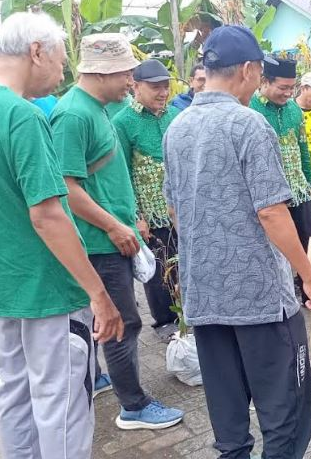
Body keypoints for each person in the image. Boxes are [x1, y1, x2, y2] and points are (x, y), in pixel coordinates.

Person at [163, 25, 311, 459]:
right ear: (250, 70)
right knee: (286, 408)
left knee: (227, 409)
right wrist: (310, 277)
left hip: (204, 293)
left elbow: (175, 209)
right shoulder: (248, 124)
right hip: (259, 298)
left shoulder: (177, 127)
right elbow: (271, 211)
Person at [0, 12, 124, 458]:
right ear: (36, 51)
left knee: (14, 391)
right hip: (49, 290)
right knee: (64, 401)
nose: (61, 75)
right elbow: (48, 216)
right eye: (60, 62)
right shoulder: (22, 116)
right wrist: (98, 294)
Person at [52, 32, 184, 430]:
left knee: (107, 321)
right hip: (101, 241)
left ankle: (98, 377)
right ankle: (134, 406)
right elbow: (66, 188)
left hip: (111, 235)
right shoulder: (73, 115)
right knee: (122, 322)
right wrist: (114, 226)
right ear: (101, 73)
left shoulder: (99, 109)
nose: (130, 81)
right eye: (125, 74)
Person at [250, 58, 311, 311]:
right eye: (283, 87)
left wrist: (309, 182)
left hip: (298, 189)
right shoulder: (251, 109)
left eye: (291, 87)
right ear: (265, 82)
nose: (288, 93)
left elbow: (302, 149)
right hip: (269, 193)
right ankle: (280, 300)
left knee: (309, 241)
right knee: (273, 246)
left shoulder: (294, 111)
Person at [112, 59, 181, 339]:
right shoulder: (123, 122)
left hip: (179, 208)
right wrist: (136, 217)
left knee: (184, 264)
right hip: (150, 213)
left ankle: (187, 316)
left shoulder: (175, 116)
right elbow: (122, 174)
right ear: (136, 86)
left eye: (165, 87)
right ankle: (164, 322)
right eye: (155, 87)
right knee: (159, 269)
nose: (162, 93)